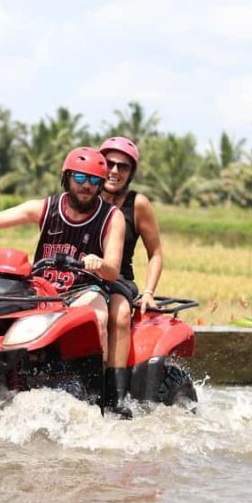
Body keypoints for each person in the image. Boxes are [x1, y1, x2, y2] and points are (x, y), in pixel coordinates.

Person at [0, 147, 132, 418]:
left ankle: (100, 401)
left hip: (84, 289)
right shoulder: (47, 207)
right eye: (80, 178)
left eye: (94, 180)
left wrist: (98, 263)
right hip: (40, 288)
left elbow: (112, 269)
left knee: (95, 317)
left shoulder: (111, 217)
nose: (86, 186)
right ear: (66, 177)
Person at [98, 136, 164, 375]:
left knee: (121, 315)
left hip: (117, 279)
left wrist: (148, 292)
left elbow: (155, 253)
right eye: (109, 163)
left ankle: (115, 387)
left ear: (131, 172)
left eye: (123, 166)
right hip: (80, 275)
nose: (114, 171)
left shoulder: (138, 204)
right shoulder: (85, 195)